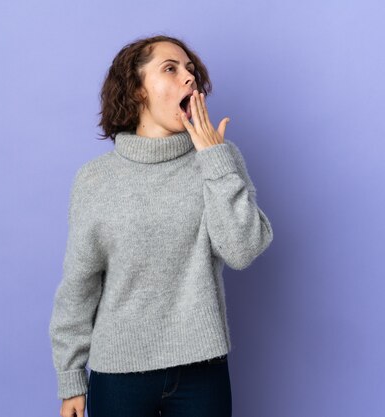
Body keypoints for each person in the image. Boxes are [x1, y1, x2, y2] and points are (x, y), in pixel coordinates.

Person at [49, 34, 274, 417]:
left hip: (202, 373)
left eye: (191, 71)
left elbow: (242, 250)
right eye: (170, 69)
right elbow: (79, 284)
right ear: (137, 90)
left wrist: (215, 160)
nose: (189, 78)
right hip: (118, 375)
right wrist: (71, 377)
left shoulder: (219, 157)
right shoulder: (95, 179)